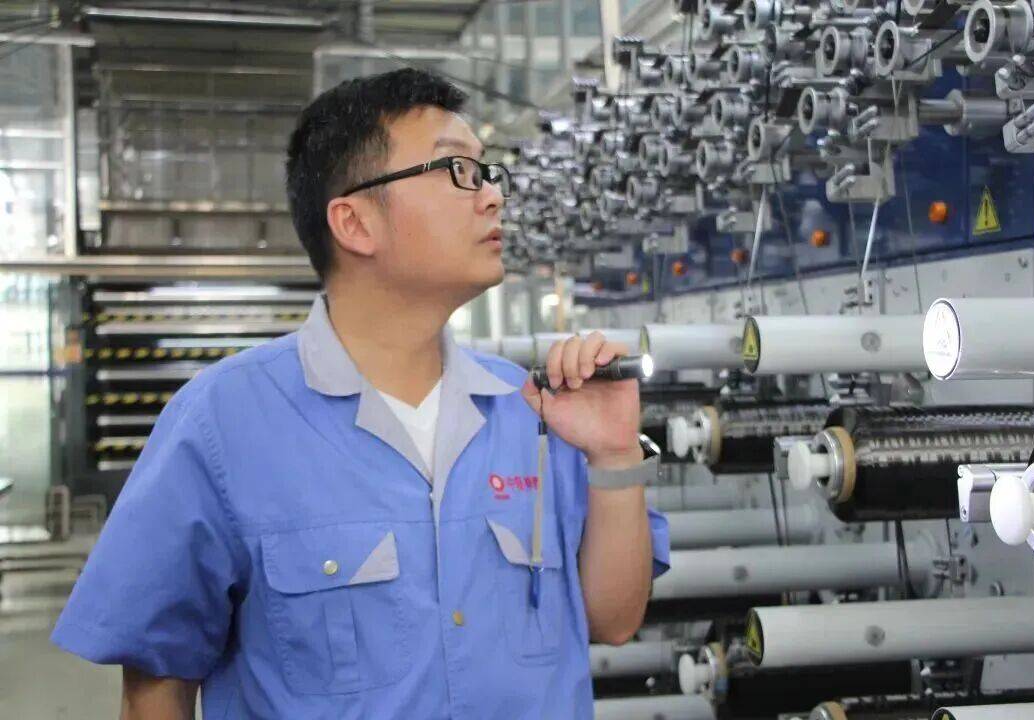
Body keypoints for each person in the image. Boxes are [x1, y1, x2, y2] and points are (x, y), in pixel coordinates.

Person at [51, 68, 669, 719]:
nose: (492, 198)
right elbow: (157, 684)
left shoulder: (538, 409)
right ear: (355, 222)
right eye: (459, 171)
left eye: (490, 174)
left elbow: (613, 620)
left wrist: (614, 457)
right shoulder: (223, 424)